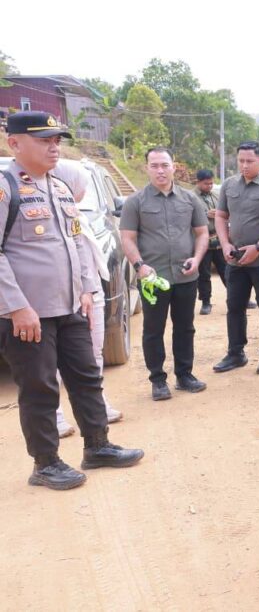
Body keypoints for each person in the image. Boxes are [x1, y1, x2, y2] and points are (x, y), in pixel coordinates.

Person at [0, 111, 143, 491]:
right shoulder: (5, 188)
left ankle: (97, 446)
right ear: (15, 143)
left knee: (86, 377)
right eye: (44, 140)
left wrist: (84, 288)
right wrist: (17, 307)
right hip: (29, 315)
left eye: (56, 140)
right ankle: (45, 464)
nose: (54, 146)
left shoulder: (60, 187)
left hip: (71, 306)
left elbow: (76, 243)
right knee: (40, 387)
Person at [120, 147, 210, 401]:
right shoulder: (135, 202)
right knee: (153, 329)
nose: (160, 170)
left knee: (185, 328)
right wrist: (140, 266)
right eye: (154, 165)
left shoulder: (190, 200)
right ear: (147, 168)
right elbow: (127, 238)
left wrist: (197, 257)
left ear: (174, 167)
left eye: (164, 165)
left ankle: (184, 375)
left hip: (185, 275)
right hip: (153, 279)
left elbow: (202, 233)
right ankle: (158, 379)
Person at [51, 160, 122, 436]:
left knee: (93, 355)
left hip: (91, 295)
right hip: (66, 299)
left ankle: (98, 406)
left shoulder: (78, 214)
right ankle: (55, 415)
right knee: (55, 362)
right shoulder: (55, 215)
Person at [212, 141, 259, 376]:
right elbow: (221, 216)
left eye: (249, 161)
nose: (244, 165)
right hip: (235, 260)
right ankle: (236, 353)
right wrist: (224, 244)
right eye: (241, 160)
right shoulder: (229, 185)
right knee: (234, 306)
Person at [193, 169, 227, 315]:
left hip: (219, 239)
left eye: (212, 183)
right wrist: (205, 215)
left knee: (227, 271)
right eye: (206, 184)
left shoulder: (216, 195)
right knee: (204, 273)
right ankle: (206, 302)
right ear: (198, 182)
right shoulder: (191, 197)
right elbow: (188, 216)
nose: (210, 186)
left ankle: (239, 298)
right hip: (202, 240)